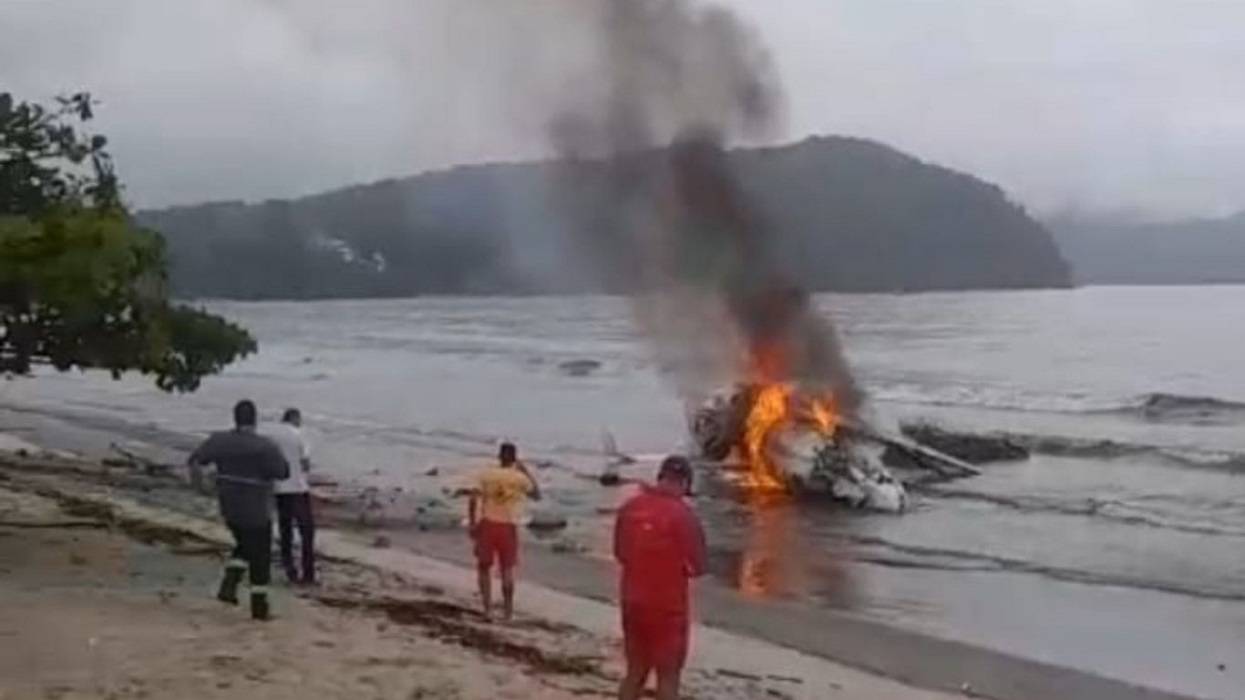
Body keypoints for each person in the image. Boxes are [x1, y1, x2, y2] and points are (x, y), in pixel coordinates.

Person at [613, 455, 707, 700]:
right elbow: (698, 566)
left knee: (635, 670)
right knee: (668, 675)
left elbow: (620, 553)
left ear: (660, 477)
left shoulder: (629, 507)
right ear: (685, 483)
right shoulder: (684, 516)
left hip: (632, 599)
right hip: (667, 607)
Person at [188, 399, 289, 621]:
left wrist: (200, 486)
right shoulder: (265, 446)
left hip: (229, 506)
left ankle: (229, 585)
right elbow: (283, 472)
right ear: (255, 419)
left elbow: (195, 460)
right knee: (260, 555)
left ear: (235, 418)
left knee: (245, 545)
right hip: (256, 508)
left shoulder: (219, 441)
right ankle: (259, 607)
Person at [467, 442, 541, 621]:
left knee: (484, 567)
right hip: (508, 525)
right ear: (514, 458)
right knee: (507, 569)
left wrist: (472, 523)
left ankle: (488, 610)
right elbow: (537, 495)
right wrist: (525, 471)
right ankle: (508, 612)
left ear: (499, 456)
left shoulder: (487, 474)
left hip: (488, 523)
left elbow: (473, 499)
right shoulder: (519, 478)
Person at [265, 407, 316, 585]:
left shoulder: (273, 437)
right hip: (298, 488)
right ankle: (308, 573)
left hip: (280, 489)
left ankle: (290, 569)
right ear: (295, 419)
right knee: (307, 532)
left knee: (285, 530)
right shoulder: (299, 434)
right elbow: (306, 464)